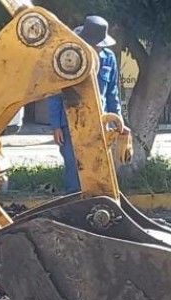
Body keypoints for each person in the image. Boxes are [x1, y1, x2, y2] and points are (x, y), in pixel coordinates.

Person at [49, 16, 128, 194]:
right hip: (70, 123)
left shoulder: (109, 59)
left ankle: (95, 208)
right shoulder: (69, 57)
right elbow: (55, 92)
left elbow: (112, 92)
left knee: (98, 167)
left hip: (100, 123)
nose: (97, 49)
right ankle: (74, 206)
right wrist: (56, 126)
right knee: (74, 167)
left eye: (100, 46)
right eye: (94, 45)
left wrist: (118, 119)